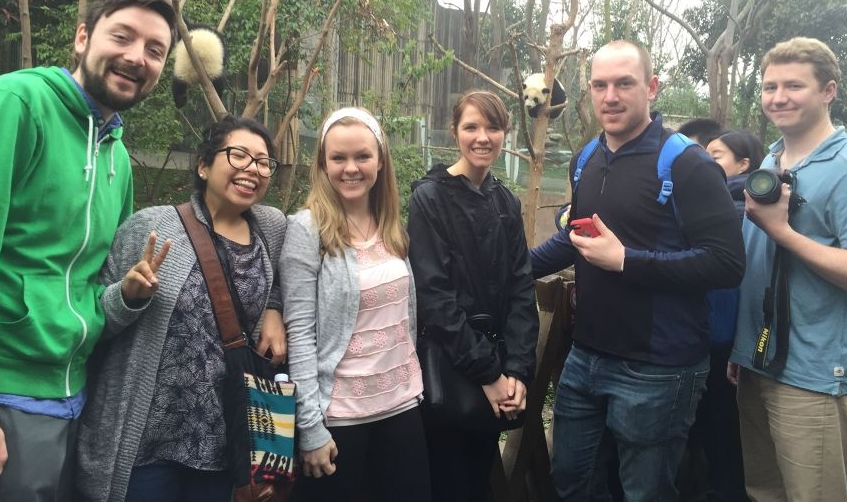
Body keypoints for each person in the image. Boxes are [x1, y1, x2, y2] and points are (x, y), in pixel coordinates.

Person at [530, 40, 745, 501]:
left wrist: (627, 260)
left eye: (624, 83)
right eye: (600, 85)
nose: (611, 96)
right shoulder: (586, 159)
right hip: (585, 357)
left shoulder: (688, 164)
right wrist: (508, 269)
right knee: (572, 480)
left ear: (651, 87)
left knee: (645, 493)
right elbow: (576, 241)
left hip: (658, 368)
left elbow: (727, 263)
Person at [0, 0, 177, 501]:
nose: (136, 57)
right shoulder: (17, 104)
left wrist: (126, 296)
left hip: (76, 396)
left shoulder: (118, 155)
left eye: (155, 50)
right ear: (82, 38)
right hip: (8, 393)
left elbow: (91, 284)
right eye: (123, 36)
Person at [74, 115, 287, 502]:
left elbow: (291, 281)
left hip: (228, 440)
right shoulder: (152, 227)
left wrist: (273, 309)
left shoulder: (270, 229)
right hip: (148, 443)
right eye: (238, 155)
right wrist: (127, 297)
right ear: (203, 166)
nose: (252, 169)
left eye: (262, 162)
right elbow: (92, 320)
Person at [728, 37, 847, 501]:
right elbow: (759, 265)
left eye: (793, 86)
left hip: (816, 374)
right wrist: (742, 349)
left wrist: (784, 232)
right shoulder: (771, 160)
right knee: (764, 491)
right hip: (759, 362)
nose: (778, 97)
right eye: (769, 86)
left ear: (828, 91)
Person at [281, 107, 429, 501]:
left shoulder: (392, 225)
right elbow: (300, 333)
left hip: (401, 405)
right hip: (340, 418)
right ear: (323, 164)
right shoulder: (307, 230)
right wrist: (310, 427)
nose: (351, 168)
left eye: (362, 156)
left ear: (380, 161)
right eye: (338, 158)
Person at [407, 91, 539, 502]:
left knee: (480, 478)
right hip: (450, 364)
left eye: (493, 127)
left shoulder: (505, 201)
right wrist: (489, 375)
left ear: (505, 134)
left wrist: (516, 369)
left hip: (498, 366)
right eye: (472, 127)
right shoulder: (429, 198)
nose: (483, 137)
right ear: (454, 132)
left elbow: (522, 286)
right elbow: (436, 298)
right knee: (447, 480)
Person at [689, 130, 764, 502]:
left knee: (721, 427)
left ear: (744, 164)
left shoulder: (744, 204)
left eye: (715, 155)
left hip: (725, 338)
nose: (706, 161)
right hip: (718, 333)